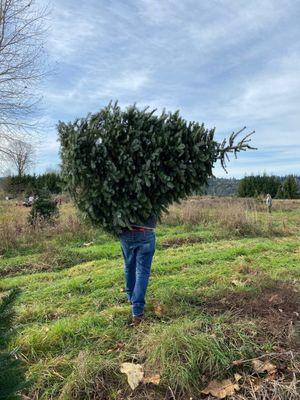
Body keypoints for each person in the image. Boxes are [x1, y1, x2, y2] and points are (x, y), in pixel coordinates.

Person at [119, 215, 156, 326]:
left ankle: (131, 298)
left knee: (129, 266)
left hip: (125, 231)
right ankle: (137, 310)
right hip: (145, 232)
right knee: (142, 272)